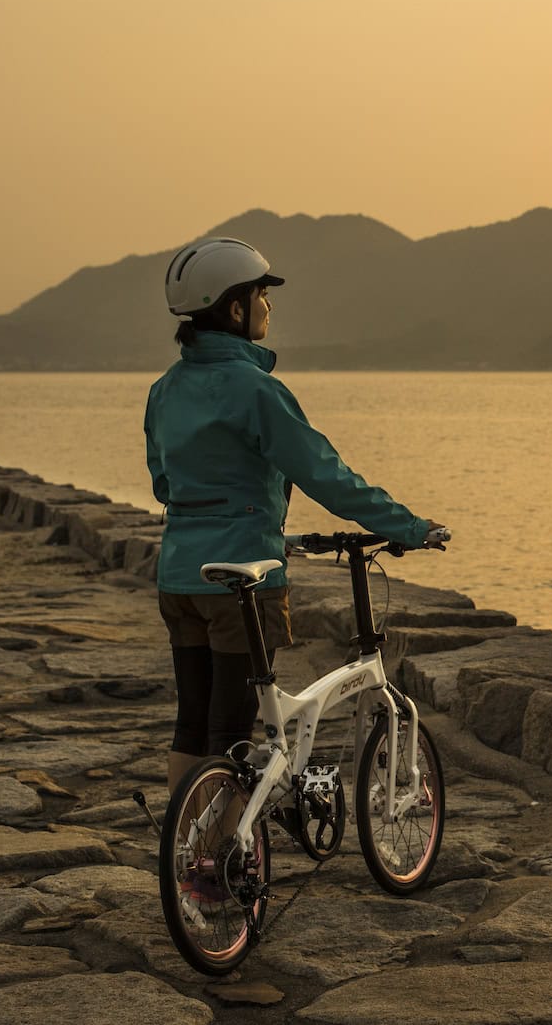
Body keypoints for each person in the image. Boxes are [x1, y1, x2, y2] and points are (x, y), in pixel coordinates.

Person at [145, 236, 445, 794]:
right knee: (230, 732)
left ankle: (184, 845)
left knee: (192, 724)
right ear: (234, 308)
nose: (269, 306)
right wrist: (408, 526)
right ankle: (215, 865)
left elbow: (166, 484)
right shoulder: (257, 390)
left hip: (179, 576)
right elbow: (325, 474)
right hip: (240, 580)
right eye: (262, 294)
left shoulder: (164, 391)